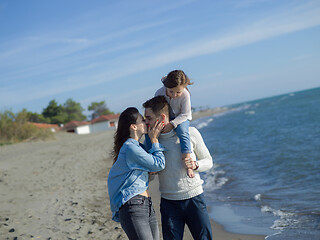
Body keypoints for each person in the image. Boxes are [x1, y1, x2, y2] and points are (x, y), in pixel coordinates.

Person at [143, 96, 213, 240]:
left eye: (148, 118)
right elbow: (149, 176)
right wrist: (150, 172)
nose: (146, 123)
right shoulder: (150, 142)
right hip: (169, 203)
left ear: (162, 117)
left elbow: (209, 161)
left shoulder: (190, 133)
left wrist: (196, 165)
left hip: (194, 199)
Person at [107, 107, 165, 240]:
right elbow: (159, 164)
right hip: (134, 205)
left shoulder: (139, 147)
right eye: (142, 121)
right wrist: (154, 139)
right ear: (133, 126)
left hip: (146, 204)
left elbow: (147, 175)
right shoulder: (130, 148)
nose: (146, 123)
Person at [155, 70, 194, 178]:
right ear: (166, 86)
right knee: (151, 132)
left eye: (178, 92)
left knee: (183, 132)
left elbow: (185, 114)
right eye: (171, 91)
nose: (175, 95)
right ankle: (153, 158)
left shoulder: (185, 94)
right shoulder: (159, 93)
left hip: (181, 118)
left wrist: (172, 124)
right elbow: (156, 110)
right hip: (165, 117)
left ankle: (188, 161)